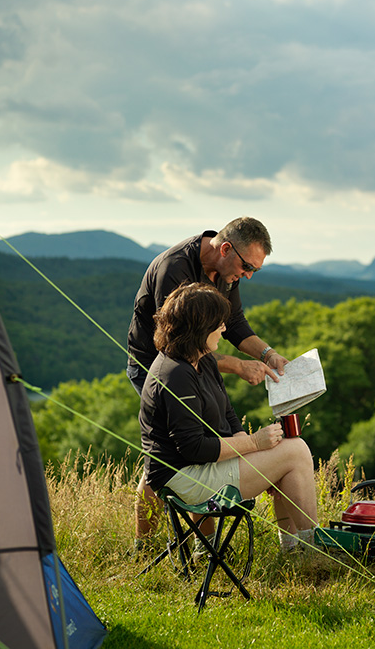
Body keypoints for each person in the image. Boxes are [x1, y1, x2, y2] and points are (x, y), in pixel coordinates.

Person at [127, 217, 290, 541]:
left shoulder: (228, 270)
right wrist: (238, 366)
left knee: (207, 439)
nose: (248, 275)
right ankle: (144, 542)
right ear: (226, 248)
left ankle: (203, 543)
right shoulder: (175, 268)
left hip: (194, 361)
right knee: (166, 453)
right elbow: (179, 343)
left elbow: (235, 323)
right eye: (247, 267)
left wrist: (267, 354)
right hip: (156, 364)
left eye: (255, 270)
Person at [140, 283, 316, 552]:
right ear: (200, 328)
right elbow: (193, 448)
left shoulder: (202, 359)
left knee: (287, 451)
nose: (224, 328)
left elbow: (228, 413)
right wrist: (254, 444)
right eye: (218, 323)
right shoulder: (175, 374)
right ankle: (311, 547)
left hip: (200, 467)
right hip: (184, 478)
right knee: (296, 451)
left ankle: (296, 549)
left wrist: (255, 454)